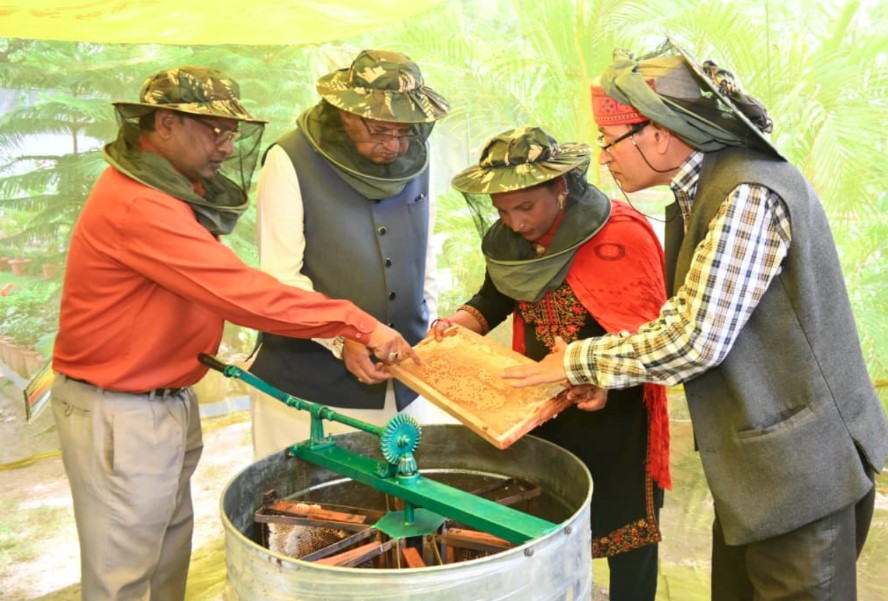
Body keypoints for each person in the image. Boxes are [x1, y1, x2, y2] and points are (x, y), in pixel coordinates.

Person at [502, 41, 888, 600]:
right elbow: (684, 319)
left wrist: (575, 359)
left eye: (611, 141)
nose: (604, 157)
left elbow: (695, 338)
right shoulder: (702, 193)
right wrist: (594, 373)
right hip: (757, 472)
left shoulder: (747, 193)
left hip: (803, 471)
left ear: (657, 135)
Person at [50, 65, 417, 601]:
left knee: (166, 553)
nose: (226, 148)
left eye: (230, 134)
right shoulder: (139, 205)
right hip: (120, 410)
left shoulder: (164, 196)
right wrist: (356, 322)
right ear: (167, 123)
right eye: (215, 131)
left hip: (160, 402)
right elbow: (242, 292)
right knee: (124, 574)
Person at [429, 126, 671, 601]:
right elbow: (494, 296)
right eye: (502, 211)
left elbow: (652, 338)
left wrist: (600, 383)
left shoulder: (621, 235)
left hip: (615, 412)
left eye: (526, 207)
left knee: (628, 533)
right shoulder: (510, 243)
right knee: (543, 523)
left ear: (560, 188)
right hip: (538, 405)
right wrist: (454, 327)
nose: (515, 223)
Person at [249, 49, 454, 459]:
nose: (394, 145)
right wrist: (341, 339)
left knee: (400, 508)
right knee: (318, 515)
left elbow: (422, 255)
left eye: (405, 131)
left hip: (404, 385)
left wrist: (428, 325)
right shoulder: (288, 159)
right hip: (310, 392)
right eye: (380, 131)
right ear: (346, 115)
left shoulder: (416, 159)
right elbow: (280, 277)